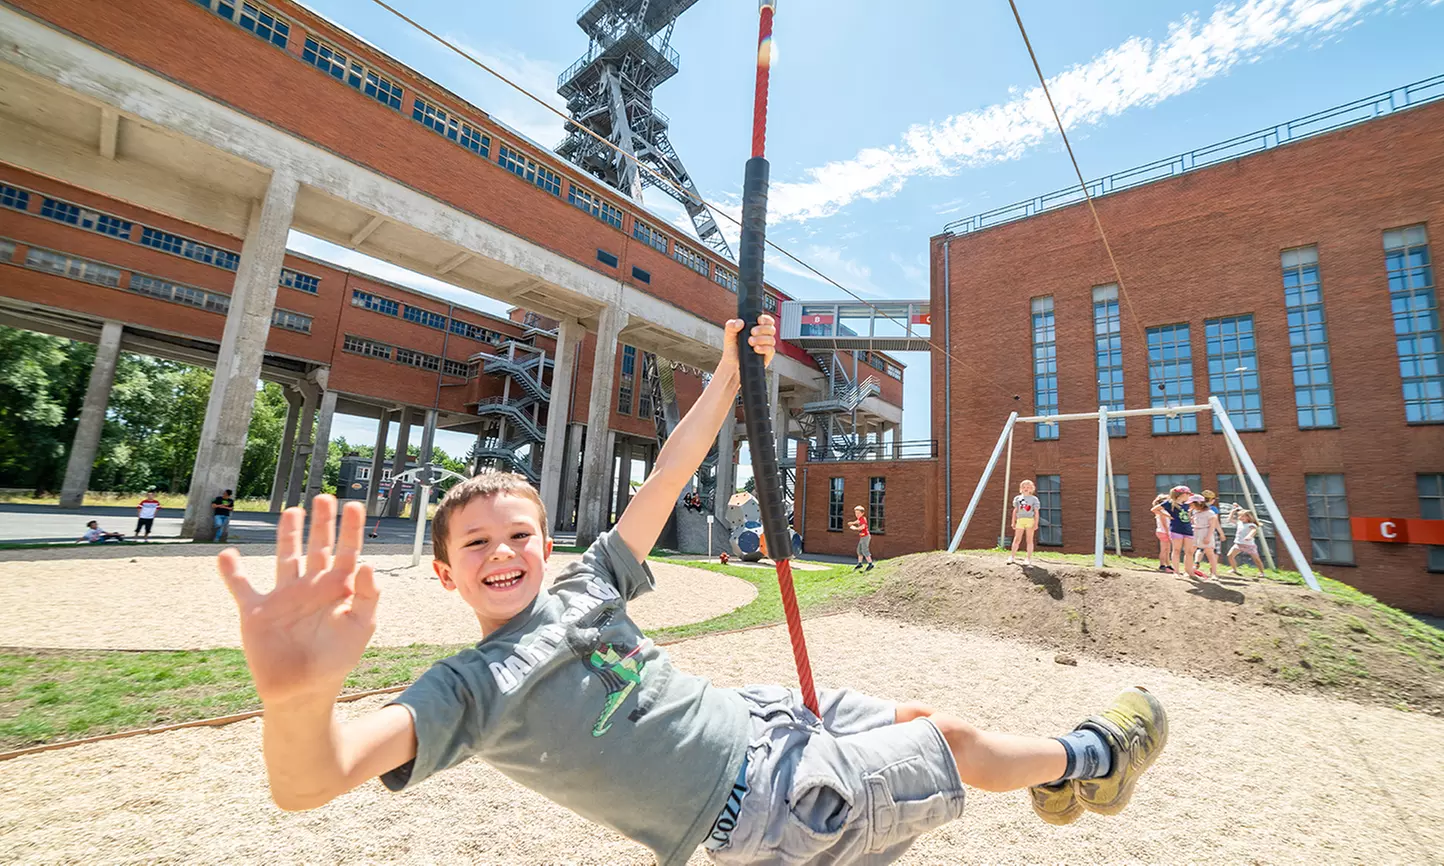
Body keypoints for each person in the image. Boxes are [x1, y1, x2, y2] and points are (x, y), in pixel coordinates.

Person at [216, 316, 1168, 866]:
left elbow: (668, 474)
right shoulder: (468, 691)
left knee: (914, 715)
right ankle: (1092, 757)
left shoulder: (589, 586)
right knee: (949, 744)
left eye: (519, 535)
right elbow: (309, 781)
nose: (502, 554)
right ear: (445, 571)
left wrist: (726, 376)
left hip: (762, 721)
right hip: (758, 802)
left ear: (547, 545)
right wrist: (297, 699)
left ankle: (1052, 778)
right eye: (477, 545)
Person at [1150, 486, 1193, 576]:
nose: (1189, 496)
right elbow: (1154, 509)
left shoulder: (1186, 504)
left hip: (1188, 530)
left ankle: (1189, 571)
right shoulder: (1169, 503)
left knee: (1189, 551)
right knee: (1176, 550)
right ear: (1183, 494)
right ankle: (1176, 571)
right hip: (1176, 529)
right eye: (1188, 494)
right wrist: (1167, 516)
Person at [1187, 495, 1220, 580]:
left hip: (1205, 532)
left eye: (1191, 504)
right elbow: (1192, 522)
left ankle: (1214, 573)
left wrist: (1208, 537)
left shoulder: (1210, 513)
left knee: (1210, 553)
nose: (1190, 506)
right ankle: (1189, 570)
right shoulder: (1195, 512)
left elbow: (1212, 526)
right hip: (1195, 532)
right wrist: (1190, 514)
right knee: (1190, 551)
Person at [1007, 479, 1039, 565]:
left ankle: (1028, 558)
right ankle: (1012, 557)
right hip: (1020, 520)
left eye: (1028, 487)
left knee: (1029, 540)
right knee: (1017, 539)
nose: (1026, 488)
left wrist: (1036, 523)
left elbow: (1036, 512)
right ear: (1021, 488)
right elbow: (1015, 510)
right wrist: (1013, 521)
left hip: (1030, 520)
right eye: (1024, 487)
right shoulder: (1018, 498)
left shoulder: (1034, 499)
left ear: (1032, 488)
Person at [1227, 506, 1265, 575]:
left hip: (1249, 545)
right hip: (1239, 544)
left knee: (1256, 559)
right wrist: (1232, 512)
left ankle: (1262, 572)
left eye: (1242, 516)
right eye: (1239, 516)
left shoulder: (1251, 524)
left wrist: (1249, 536)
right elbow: (1230, 520)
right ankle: (1234, 569)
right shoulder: (1239, 523)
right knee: (1230, 555)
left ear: (1248, 517)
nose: (1240, 518)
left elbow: (1253, 530)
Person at [846, 504, 874, 571]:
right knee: (859, 550)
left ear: (862, 513)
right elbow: (857, 521)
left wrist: (854, 528)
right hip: (862, 537)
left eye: (858, 513)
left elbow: (862, 527)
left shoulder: (863, 519)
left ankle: (870, 564)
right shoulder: (860, 519)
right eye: (856, 513)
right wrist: (852, 523)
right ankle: (859, 564)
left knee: (865, 550)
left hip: (865, 536)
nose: (857, 514)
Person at [1150, 493, 1173, 573]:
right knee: (1164, 549)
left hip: (1164, 531)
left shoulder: (1163, 511)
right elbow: (1164, 524)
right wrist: (1168, 533)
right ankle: (1162, 564)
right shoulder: (1162, 512)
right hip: (1163, 532)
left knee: (1167, 550)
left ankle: (1168, 565)